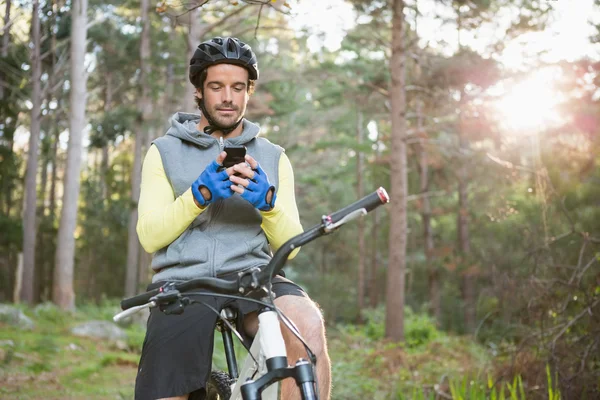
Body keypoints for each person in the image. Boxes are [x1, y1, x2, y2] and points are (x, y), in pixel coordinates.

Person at [134, 36, 331, 400]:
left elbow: (291, 246)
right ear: (199, 91)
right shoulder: (163, 151)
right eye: (217, 86)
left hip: (255, 277)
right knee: (167, 386)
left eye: (238, 87)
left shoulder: (274, 156)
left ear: (248, 92)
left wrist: (268, 204)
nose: (228, 97)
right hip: (185, 282)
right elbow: (149, 236)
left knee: (306, 322)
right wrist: (197, 196)